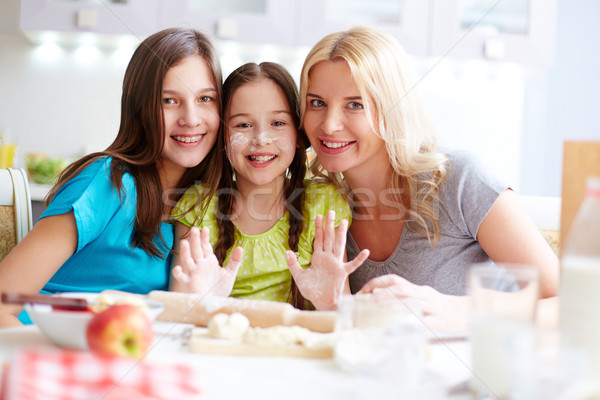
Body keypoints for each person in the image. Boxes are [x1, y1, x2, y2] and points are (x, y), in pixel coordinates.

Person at [298, 26, 559, 332]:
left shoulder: (460, 180)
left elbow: (570, 303)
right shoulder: (321, 203)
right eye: (317, 103)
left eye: (355, 105)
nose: (329, 125)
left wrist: (457, 308)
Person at [0, 28, 223, 328]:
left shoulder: (198, 204)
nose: (191, 118)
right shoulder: (106, 182)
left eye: (205, 98)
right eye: (169, 100)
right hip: (46, 351)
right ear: (140, 108)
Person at [171, 62, 369, 311]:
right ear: (222, 136)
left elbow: (341, 326)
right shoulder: (199, 206)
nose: (261, 139)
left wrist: (331, 304)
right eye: (243, 125)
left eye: (277, 123)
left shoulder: (322, 204)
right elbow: (176, 320)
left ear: (299, 135)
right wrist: (199, 302)